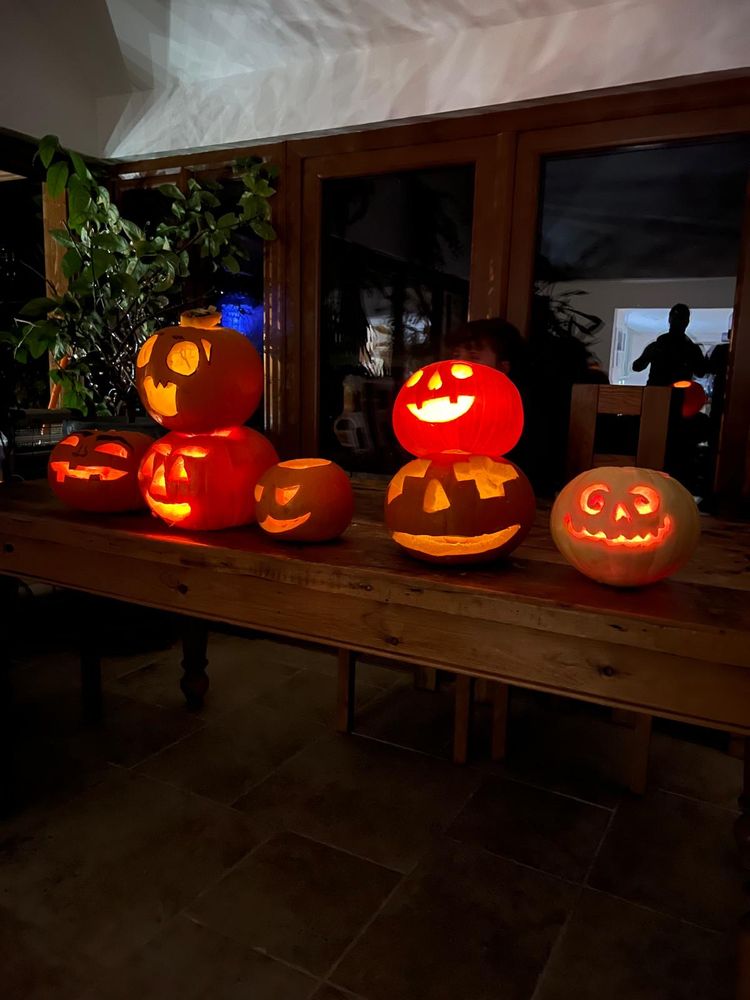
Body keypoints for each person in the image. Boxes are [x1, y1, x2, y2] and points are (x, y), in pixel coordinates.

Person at [632, 303, 707, 385]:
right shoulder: (692, 349)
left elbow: (637, 367)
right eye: (677, 318)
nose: (678, 322)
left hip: (659, 393)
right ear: (687, 322)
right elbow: (701, 373)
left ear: (669, 319)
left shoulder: (657, 346)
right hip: (674, 394)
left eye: (680, 319)